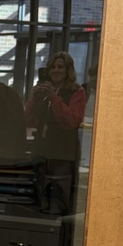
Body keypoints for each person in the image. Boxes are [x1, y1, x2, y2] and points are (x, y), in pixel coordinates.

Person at [24, 51, 85, 212]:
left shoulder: (77, 92)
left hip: (63, 153)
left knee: (59, 197)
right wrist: (35, 98)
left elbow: (72, 121)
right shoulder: (43, 93)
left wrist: (54, 98)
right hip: (41, 150)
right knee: (37, 195)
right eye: (52, 67)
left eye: (60, 67)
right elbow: (27, 120)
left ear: (68, 70)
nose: (55, 70)